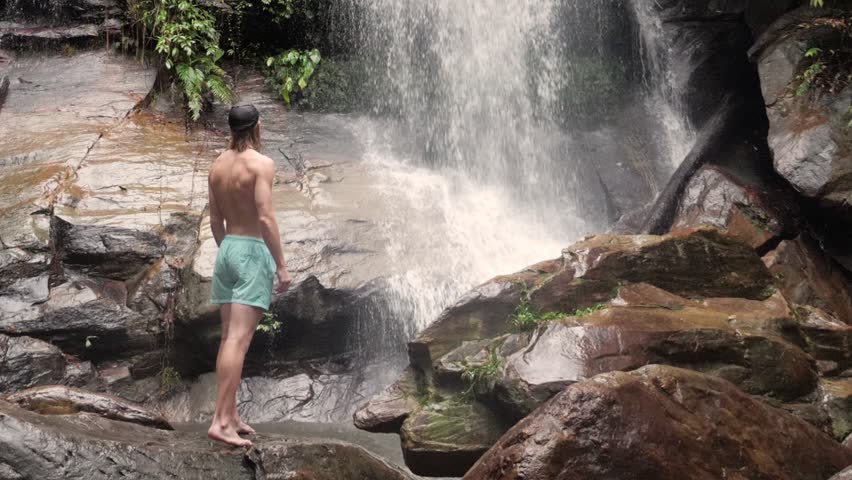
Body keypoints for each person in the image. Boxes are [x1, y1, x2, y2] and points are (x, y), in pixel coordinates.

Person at [206, 104, 292, 447]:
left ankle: (232, 413)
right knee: (238, 341)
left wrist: (229, 250)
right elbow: (266, 218)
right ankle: (221, 422)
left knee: (228, 336)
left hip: (226, 250)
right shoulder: (261, 164)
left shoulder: (217, 164)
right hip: (252, 250)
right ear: (259, 126)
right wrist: (281, 266)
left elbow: (214, 219)